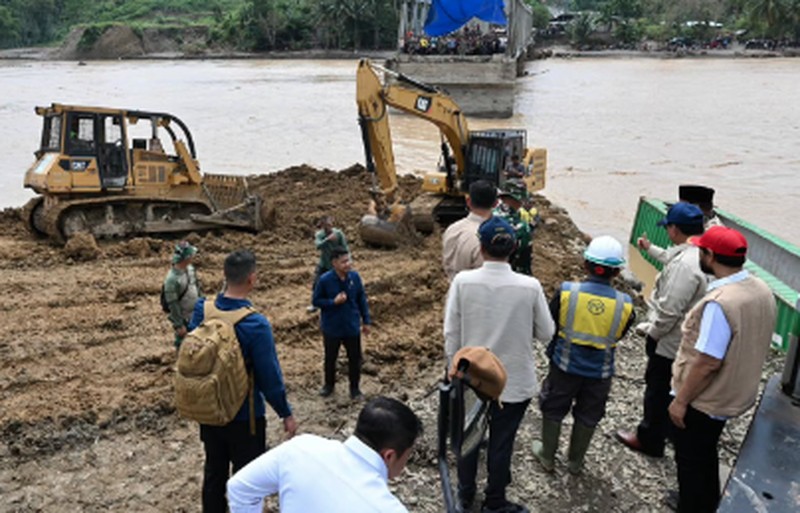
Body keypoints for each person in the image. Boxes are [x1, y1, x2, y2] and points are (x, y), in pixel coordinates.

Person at [444, 216, 555, 513]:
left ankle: (464, 494)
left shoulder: (462, 282)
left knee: (468, 437)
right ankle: (494, 501)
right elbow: (547, 333)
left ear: (480, 248)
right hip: (513, 381)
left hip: (470, 376)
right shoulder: (530, 287)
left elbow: (451, 332)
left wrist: (451, 370)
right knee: (502, 443)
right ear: (515, 248)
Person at [668, 226, 776, 512]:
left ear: (710, 255)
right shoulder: (761, 289)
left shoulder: (720, 304)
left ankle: (692, 505)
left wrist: (680, 401)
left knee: (690, 459)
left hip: (705, 401)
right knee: (704, 453)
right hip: (734, 394)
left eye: (702, 251)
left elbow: (707, 362)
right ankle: (706, 501)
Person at [189, 249, 298, 513]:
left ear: (225, 276)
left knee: (214, 470)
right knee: (247, 479)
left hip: (209, 410)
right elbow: (269, 376)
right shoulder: (255, 323)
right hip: (245, 417)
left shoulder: (202, 310)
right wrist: (285, 413)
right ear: (252, 279)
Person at [532, 236, 635, 474]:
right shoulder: (625, 304)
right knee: (589, 413)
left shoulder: (568, 292)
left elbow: (551, 322)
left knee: (554, 406)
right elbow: (619, 335)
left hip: (564, 365)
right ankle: (575, 462)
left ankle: (547, 455)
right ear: (617, 272)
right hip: (600, 371)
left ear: (585, 264)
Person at [616, 202, 708, 458]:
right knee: (675, 386)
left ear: (675, 229)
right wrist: (650, 249)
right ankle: (669, 431)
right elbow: (671, 256)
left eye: (668, 227)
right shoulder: (701, 253)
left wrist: (652, 333)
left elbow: (669, 311)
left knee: (657, 390)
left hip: (671, 342)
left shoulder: (684, 267)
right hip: (692, 339)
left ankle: (649, 439)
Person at [226, 396, 422, 513]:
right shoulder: (387, 509)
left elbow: (239, 489)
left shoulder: (301, 447)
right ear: (389, 456)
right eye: (408, 454)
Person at [312, 247, 371, 400]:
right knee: (331, 358)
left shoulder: (355, 278)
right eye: (344, 262)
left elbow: (361, 300)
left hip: (351, 326)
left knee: (355, 358)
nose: (348, 264)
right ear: (334, 263)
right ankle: (329, 385)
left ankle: (355, 388)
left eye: (349, 260)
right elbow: (316, 301)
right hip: (332, 327)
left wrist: (366, 321)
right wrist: (333, 302)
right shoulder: (325, 280)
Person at [442, 179, 498, 281]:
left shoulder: (452, 229)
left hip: (452, 288)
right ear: (495, 203)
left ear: (468, 201)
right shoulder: (487, 237)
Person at [163, 241, 201, 349]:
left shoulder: (190, 269)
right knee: (183, 344)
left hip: (195, 313)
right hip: (184, 317)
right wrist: (179, 325)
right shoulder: (172, 280)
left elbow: (196, 287)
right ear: (186, 257)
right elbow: (172, 303)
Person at [308, 215, 349, 312]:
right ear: (322, 226)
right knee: (317, 283)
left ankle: (343, 302)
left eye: (330, 225)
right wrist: (327, 240)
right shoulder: (319, 235)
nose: (329, 228)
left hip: (336, 265)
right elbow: (318, 246)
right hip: (324, 264)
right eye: (326, 226)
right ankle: (315, 304)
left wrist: (347, 261)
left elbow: (345, 248)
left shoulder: (339, 234)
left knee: (341, 283)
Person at [495, 181, 534, 275]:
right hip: (509, 275)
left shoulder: (488, 215)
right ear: (518, 199)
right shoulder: (521, 227)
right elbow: (524, 263)